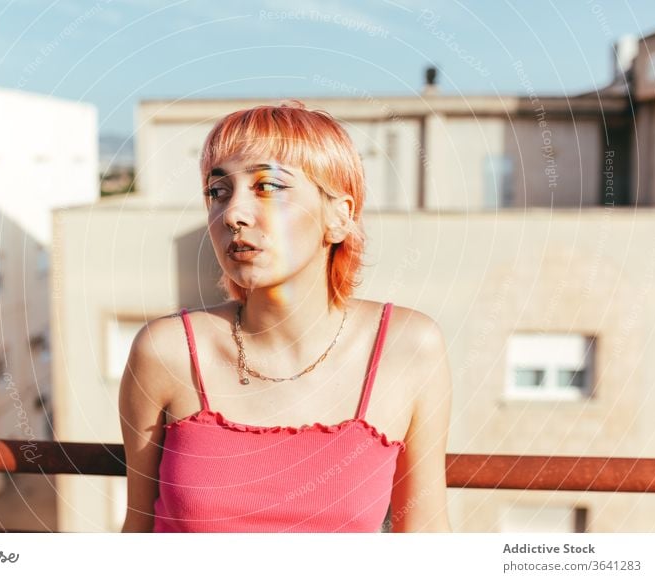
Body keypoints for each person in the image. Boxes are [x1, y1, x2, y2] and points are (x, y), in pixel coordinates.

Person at [119, 100, 452, 533]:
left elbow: (425, 539)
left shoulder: (409, 348)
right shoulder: (166, 351)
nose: (232, 214)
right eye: (218, 192)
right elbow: (137, 536)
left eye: (268, 187)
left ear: (339, 216)